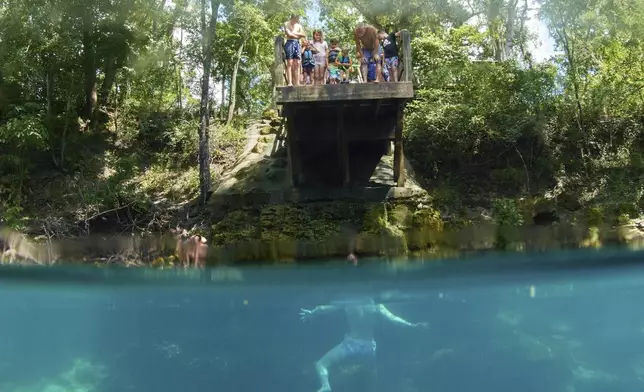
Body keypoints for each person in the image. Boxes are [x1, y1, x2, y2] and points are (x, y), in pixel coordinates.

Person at [300, 297, 428, 392]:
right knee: (371, 375)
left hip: (350, 344)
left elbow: (324, 309)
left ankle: (326, 386)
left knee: (321, 364)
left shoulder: (348, 302)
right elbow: (393, 319)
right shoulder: (375, 305)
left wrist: (312, 313)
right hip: (369, 347)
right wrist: (412, 325)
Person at [283, 14, 306, 86]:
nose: (297, 20)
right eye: (296, 18)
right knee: (290, 62)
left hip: (297, 43)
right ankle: (290, 82)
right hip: (289, 43)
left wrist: (295, 33)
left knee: (298, 62)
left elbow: (303, 35)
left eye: (298, 18)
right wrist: (297, 35)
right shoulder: (286, 23)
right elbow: (289, 35)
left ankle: (298, 83)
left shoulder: (299, 25)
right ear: (293, 17)